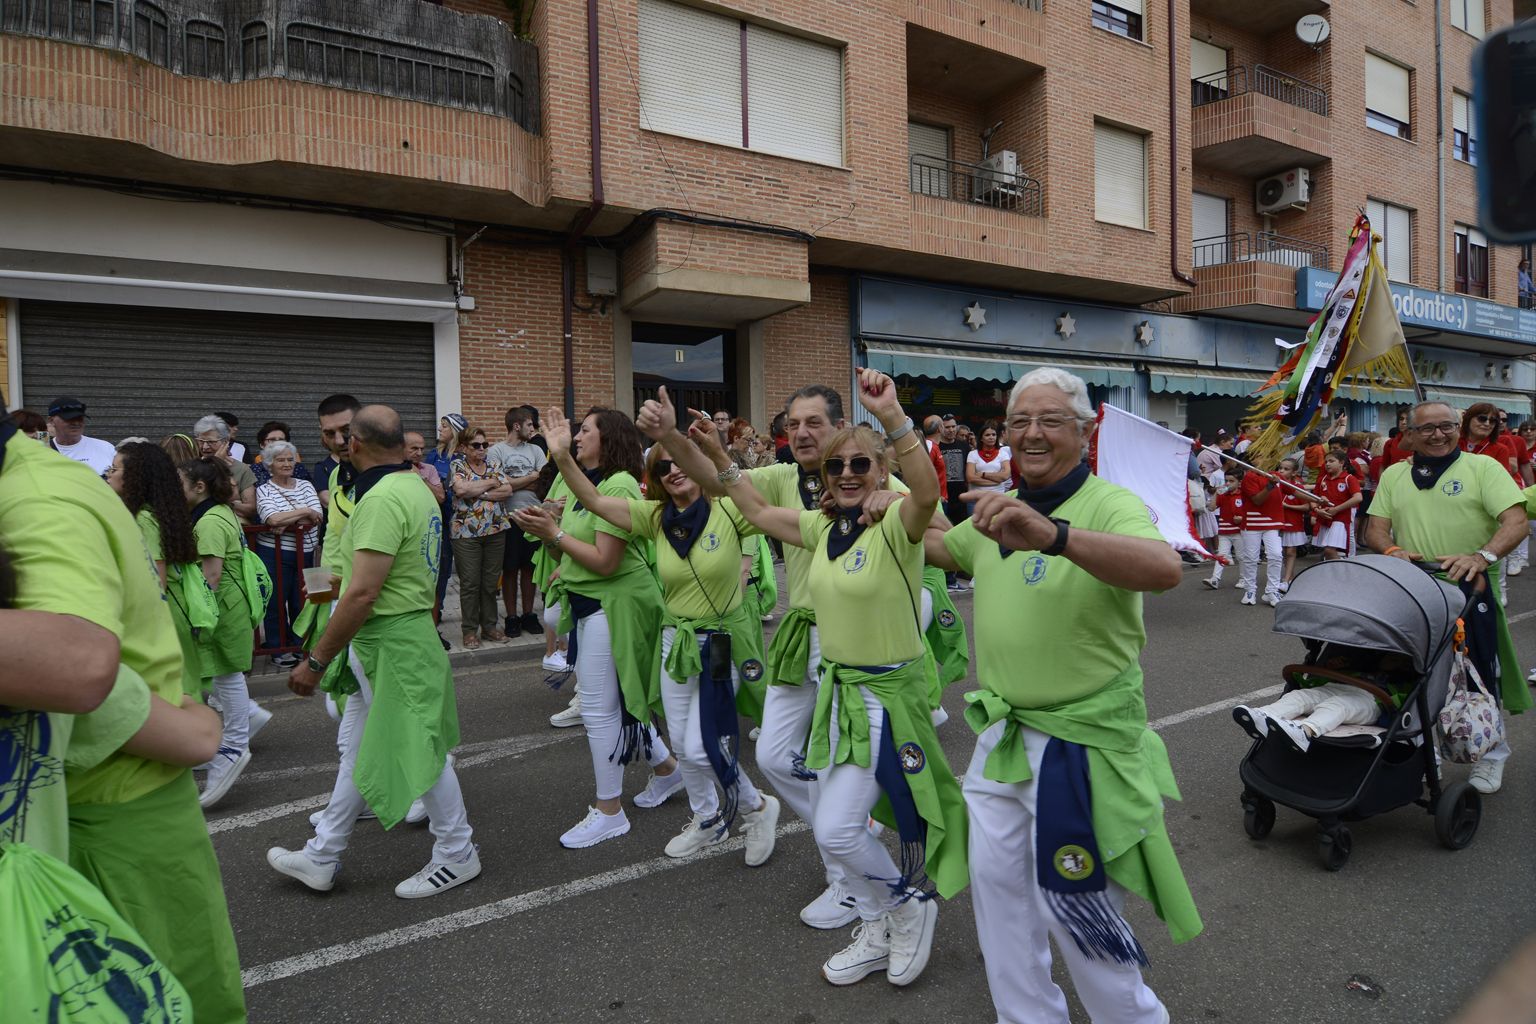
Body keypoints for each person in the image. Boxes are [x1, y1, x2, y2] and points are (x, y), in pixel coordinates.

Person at [921, 366, 1198, 1024]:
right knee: (998, 899)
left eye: (1051, 421)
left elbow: (1163, 568)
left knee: (1075, 904)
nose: (1033, 434)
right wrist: (899, 452)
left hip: (1083, 744)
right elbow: (938, 544)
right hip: (1005, 736)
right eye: (1021, 421)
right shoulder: (999, 506)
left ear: (1085, 429)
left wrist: (1056, 537)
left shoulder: (1108, 502)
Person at [699, 368, 964, 988]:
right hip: (841, 692)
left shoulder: (899, 522)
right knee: (835, 826)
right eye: (835, 468)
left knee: (839, 826)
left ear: (880, 474)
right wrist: (716, 453)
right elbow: (759, 510)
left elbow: (925, 493)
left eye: (860, 466)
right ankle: (889, 913)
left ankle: (898, 909)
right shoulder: (821, 528)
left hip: (886, 696)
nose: (846, 474)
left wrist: (894, 419)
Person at [0, 410, 248, 1021]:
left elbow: (77, 664)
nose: (109, 474)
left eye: (118, 468)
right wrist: (186, 727)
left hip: (107, 799)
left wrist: (181, 728)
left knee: (155, 996)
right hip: (89, 789)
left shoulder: (39, 497)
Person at [640, 381, 908, 931]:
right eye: (794, 424)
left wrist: (892, 503)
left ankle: (849, 879)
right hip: (799, 635)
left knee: (834, 761)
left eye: (815, 422)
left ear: (839, 427)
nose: (803, 432)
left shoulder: (872, 476)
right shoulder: (783, 478)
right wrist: (670, 434)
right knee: (774, 755)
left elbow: (938, 535)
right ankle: (851, 835)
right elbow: (718, 480)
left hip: (854, 643)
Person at [539, 408, 782, 864]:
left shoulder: (730, 510)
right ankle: (708, 816)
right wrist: (561, 457)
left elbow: (754, 499)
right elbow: (592, 500)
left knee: (697, 746)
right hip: (677, 642)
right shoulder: (655, 518)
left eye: (679, 462)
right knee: (684, 744)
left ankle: (756, 806)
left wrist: (713, 452)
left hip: (721, 643)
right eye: (661, 466)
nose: (672, 471)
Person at [268, 405, 481, 899]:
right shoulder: (415, 486)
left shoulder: (382, 498)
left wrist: (315, 661)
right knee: (360, 748)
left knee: (421, 746)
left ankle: (457, 851)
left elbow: (362, 593)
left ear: (356, 445)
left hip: (392, 638)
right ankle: (323, 853)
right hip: (397, 635)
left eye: (344, 436)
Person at [511, 407, 684, 848]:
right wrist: (547, 532)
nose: (577, 436)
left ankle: (610, 811)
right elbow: (568, 555)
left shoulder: (619, 483)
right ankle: (667, 771)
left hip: (618, 603)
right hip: (591, 603)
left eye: (585, 430)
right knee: (617, 700)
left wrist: (554, 533)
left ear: (608, 438)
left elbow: (606, 563)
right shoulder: (581, 486)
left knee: (599, 709)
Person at [1364, 401, 1530, 794]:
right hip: (1412, 590)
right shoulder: (1394, 475)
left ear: (1459, 428)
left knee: (1477, 675)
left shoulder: (1483, 468)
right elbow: (1375, 530)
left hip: (1469, 590)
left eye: (1446, 426)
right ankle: (1425, 752)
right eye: (1427, 429)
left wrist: (1480, 556)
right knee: (1413, 675)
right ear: (1408, 435)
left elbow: (1516, 521)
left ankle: (1492, 754)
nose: (1438, 435)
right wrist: (1390, 550)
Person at [180, 456, 258, 808]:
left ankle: (233, 749)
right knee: (224, 676)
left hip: (223, 607)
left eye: (181, 483)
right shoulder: (219, 513)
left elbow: (210, 576)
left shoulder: (210, 520)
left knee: (227, 676)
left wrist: (201, 618)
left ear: (199, 487)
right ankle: (231, 739)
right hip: (231, 605)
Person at [105, 442, 206, 695]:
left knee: (174, 695)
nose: (109, 474)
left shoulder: (143, 520)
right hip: (174, 612)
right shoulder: (156, 514)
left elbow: (156, 582)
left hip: (165, 615)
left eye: (114, 468)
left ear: (134, 477)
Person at [255, 438, 324, 666]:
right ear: (269, 464)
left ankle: (300, 644)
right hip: (274, 553)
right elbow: (271, 518)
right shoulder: (264, 489)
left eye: (290, 459)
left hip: (307, 552)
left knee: (302, 600)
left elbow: (318, 514)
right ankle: (277, 647)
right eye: (280, 460)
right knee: (275, 601)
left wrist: (292, 518)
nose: (286, 464)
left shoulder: (305, 485)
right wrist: (303, 513)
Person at [450, 426, 513, 649]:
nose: (482, 449)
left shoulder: (494, 464)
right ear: (463, 447)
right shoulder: (457, 465)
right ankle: (469, 631)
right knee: (470, 583)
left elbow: (507, 491)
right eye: (476, 445)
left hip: (495, 531)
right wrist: (490, 483)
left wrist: (479, 491)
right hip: (466, 533)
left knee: (489, 583)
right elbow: (461, 490)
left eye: (485, 445)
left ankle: (490, 627)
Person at [488, 406, 547, 638]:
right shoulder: (496, 451)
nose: (533, 428)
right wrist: (531, 476)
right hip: (508, 518)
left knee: (530, 568)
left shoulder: (535, 450)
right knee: (510, 569)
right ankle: (511, 617)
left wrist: (517, 482)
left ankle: (529, 615)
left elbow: (544, 482)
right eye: (530, 424)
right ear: (516, 426)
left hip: (534, 516)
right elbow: (500, 485)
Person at [1238, 458, 1287, 607]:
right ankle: (1250, 590)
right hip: (1252, 523)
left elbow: (1294, 490)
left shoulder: (1275, 475)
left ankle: (1271, 591)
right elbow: (1257, 500)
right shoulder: (1249, 477)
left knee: (1276, 555)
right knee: (1251, 558)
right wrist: (1271, 485)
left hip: (1272, 523)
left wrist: (1318, 501)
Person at [193, 415, 258, 521]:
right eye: (201, 441)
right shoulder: (193, 467)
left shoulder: (241, 469)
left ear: (225, 441)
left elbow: (251, 509)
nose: (204, 447)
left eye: (211, 442)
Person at [1202, 460, 1245, 590]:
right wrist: (1216, 493)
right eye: (1226, 480)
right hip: (1224, 531)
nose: (1228, 484)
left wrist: (1242, 518)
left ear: (1240, 483)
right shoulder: (1223, 494)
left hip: (1239, 531)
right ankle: (1215, 579)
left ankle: (1244, 579)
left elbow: (1250, 511)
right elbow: (1211, 508)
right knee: (1221, 555)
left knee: (1241, 556)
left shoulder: (1244, 494)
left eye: (1232, 481)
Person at [1312, 451, 1363, 560]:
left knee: (1330, 550)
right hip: (1324, 519)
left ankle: (1343, 570)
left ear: (1341, 463)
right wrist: (1317, 510)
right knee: (1327, 552)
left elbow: (1358, 498)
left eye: (1331, 461)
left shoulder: (1349, 478)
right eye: (1326, 462)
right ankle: (1335, 572)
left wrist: (1336, 509)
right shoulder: (1322, 479)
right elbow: (1314, 498)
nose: (1327, 464)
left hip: (1341, 519)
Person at [43, 396, 115, 474]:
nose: (76, 423)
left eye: (80, 418)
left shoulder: (106, 448)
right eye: (69, 418)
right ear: (51, 420)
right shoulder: (43, 451)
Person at [1276, 458, 1312, 590]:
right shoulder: (1276, 486)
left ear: (1293, 472)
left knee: (1291, 551)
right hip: (1280, 523)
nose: (1281, 471)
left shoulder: (1298, 487)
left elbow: (1307, 507)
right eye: (1280, 468)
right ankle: (1289, 577)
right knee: (1283, 552)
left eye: (1286, 469)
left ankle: (1285, 580)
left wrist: (1288, 506)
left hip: (1294, 523)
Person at [251, 420, 314, 487]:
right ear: (262, 445)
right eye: (272, 440)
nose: (277, 443)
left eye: (281, 440)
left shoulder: (298, 468)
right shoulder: (254, 470)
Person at [965, 421, 1012, 508]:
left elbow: (1006, 475)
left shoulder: (1003, 453)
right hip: (976, 499)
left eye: (994, 435)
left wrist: (983, 474)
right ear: (981, 438)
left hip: (997, 499)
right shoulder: (973, 454)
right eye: (987, 435)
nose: (991, 437)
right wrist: (996, 481)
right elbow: (970, 478)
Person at [938, 414, 971, 524]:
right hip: (943, 496)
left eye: (953, 426)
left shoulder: (964, 446)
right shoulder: (936, 446)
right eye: (947, 427)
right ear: (941, 428)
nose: (951, 430)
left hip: (961, 496)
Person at [404, 430, 446, 504]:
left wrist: (421, 477)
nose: (420, 453)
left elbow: (441, 498)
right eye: (414, 448)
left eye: (422, 449)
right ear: (402, 448)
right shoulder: (391, 468)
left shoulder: (430, 469)